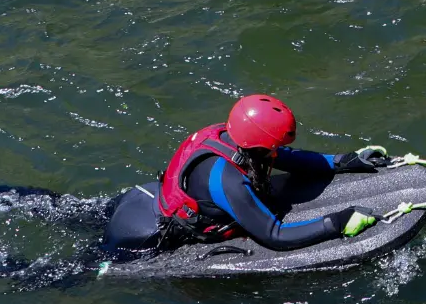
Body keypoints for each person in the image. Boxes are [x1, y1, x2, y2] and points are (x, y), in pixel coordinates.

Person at [157, 94, 390, 251]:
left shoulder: (232, 133)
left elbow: (285, 156)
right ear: (259, 148)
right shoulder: (228, 181)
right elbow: (274, 235)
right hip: (186, 232)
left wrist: (344, 161)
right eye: (274, 146)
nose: (277, 151)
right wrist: (337, 222)